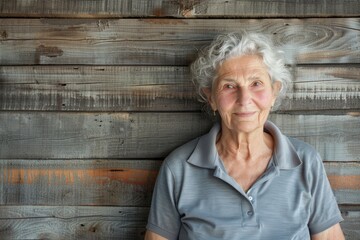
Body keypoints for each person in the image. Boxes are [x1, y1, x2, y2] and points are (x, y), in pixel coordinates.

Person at [145, 32, 345, 240]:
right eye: (229, 86)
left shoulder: (305, 161)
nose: (245, 99)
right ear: (211, 97)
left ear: (274, 92)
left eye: (256, 83)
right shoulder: (179, 167)